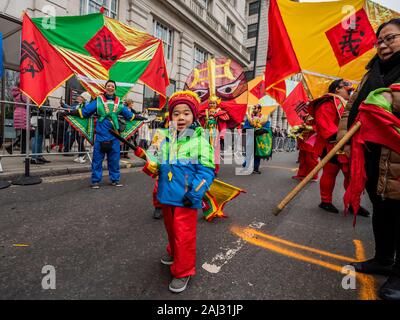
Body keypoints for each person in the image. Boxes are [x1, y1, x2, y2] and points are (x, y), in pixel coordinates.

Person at [337, 18, 400, 300]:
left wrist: (386, 99)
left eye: (391, 38)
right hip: (372, 154)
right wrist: (345, 140)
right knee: (382, 209)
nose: (384, 45)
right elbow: (351, 107)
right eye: (380, 41)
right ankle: (383, 258)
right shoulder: (370, 71)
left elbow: (385, 103)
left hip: (397, 154)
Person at [133, 90, 215, 293]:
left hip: (186, 198)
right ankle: (173, 252)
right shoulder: (166, 140)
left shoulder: (200, 141)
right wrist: (146, 158)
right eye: (176, 113)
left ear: (194, 116)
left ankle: (184, 270)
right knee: (171, 231)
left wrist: (195, 193)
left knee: (184, 235)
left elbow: (206, 171)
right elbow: (159, 167)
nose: (181, 117)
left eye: (186, 113)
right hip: (167, 196)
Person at [64, 80, 146, 188]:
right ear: (105, 88)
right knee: (97, 159)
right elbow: (85, 112)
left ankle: (115, 180)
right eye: (108, 86)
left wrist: (140, 117)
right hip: (101, 134)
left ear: (115, 89)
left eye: (112, 86)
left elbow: (129, 115)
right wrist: (70, 112)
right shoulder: (98, 100)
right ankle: (95, 181)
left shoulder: (119, 102)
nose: (110, 87)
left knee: (114, 159)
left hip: (115, 135)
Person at [308, 79, 370, 217]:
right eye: (349, 89)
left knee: (352, 175)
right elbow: (325, 125)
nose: (352, 91)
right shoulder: (326, 103)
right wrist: (341, 137)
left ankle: (354, 204)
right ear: (337, 89)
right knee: (330, 173)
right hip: (331, 145)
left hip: (349, 145)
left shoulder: (350, 105)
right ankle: (326, 201)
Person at [61, 92, 91, 163]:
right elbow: (72, 108)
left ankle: (82, 155)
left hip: (83, 125)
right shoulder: (80, 105)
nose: (79, 97)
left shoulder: (87, 105)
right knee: (79, 140)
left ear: (85, 98)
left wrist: (68, 112)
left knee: (80, 140)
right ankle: (80, 155)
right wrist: (63, 105)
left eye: (81, 97)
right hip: (78, 125)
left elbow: (79, 112)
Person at [243, 104, 272, 174]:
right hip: (250, 138)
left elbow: (267, 127)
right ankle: (247, 166)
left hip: (259, 139)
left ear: (259, 109)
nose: (253, 109)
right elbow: (245, 127)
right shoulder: (249, 117)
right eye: (253, 108)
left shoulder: (264, 118)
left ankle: (255, 168)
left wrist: (260, 130)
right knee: (249, 153)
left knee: (257, 154)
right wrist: (252, 129)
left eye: (255, 108)